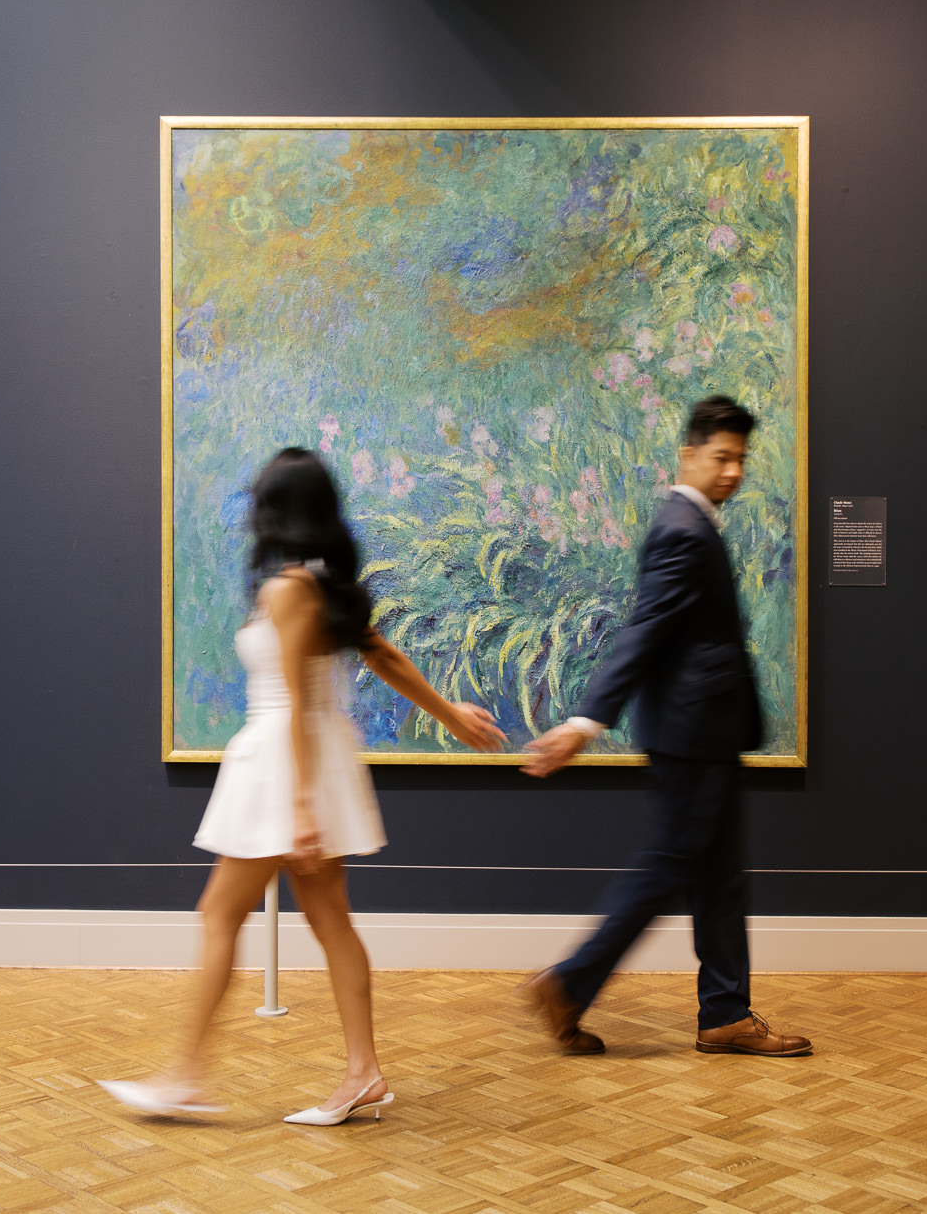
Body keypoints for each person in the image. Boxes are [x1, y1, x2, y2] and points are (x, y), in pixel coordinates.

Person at [100, 448, 505, 1124]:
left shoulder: (287, 590)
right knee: (328, 922)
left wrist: (300, 810)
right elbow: (385, 656)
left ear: (275, 512)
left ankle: (186, 1075)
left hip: (283, 768)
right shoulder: (325, 587)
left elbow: (292, 699)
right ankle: (361, 1070)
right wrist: (452, 715)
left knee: (220, 915)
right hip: (309, 760)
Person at [520, 395, 810, 1059]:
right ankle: (567, 982)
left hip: (701, 732)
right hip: (691, 735)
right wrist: (584, 721)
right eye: (722, 456)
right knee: (668, 868)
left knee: (720, 877)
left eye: (742, 458)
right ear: (690, 454)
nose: (734, 470)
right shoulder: (683, 527)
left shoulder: (692, 522)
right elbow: (643, 632)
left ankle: (725, 1013)